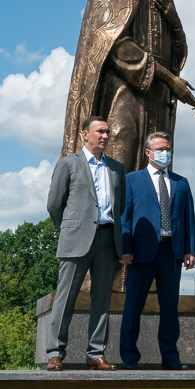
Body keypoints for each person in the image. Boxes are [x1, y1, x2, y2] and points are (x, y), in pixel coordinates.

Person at [61, 0, 195, 175]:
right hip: (123, 89)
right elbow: (113, 43)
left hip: (157, 94)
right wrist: (169, 79)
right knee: (120, 157)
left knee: (156, 167)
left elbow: (175, 49)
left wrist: (175, 21)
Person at [45, 116, 125, 371]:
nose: (105, 136)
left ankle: (96, 354)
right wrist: (70, 229)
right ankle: (55, 353)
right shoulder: (68, 164)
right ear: (84, 134)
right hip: (76, 239)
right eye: (99, 131)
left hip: (108, 239)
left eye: (107, 132)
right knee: (65, 299)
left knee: (102, 300)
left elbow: (120, 207)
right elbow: (54, 204)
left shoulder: (116, 168)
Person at [119, 131, 195, 370]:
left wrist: (190, 249)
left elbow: (189, 218)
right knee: (133, 305)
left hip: (171, 252)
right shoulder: (132, 179)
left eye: (168, 148)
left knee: (170, 307)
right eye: (160, 148)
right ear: (148, 152)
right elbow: (126, 215)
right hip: (141, 252)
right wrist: (125, 248)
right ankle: (130, 357)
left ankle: (171, 356)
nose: (166, 153)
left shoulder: (181, 182)